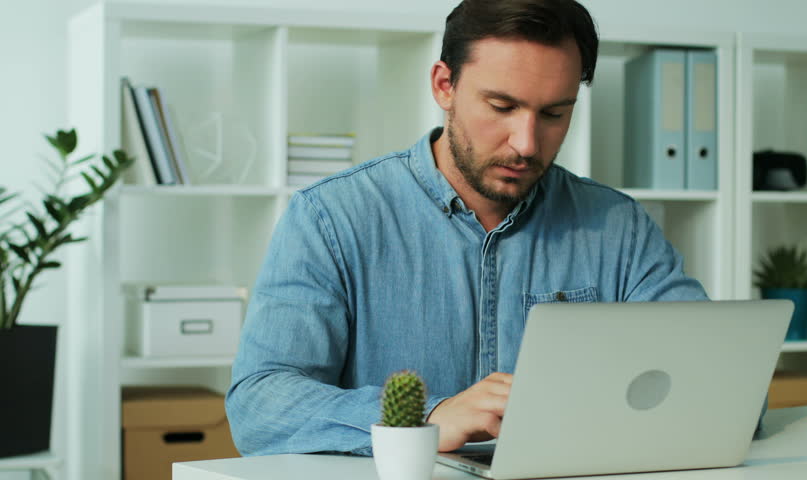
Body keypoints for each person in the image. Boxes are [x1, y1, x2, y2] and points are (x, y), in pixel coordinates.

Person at [225, 0, 708, 457]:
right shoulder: (331, 216)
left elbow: (717, 387)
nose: (526, 143)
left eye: (554, 114)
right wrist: (428, 417)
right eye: (501, 107)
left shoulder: (618, 228)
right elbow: (259, 405)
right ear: (444, 85)